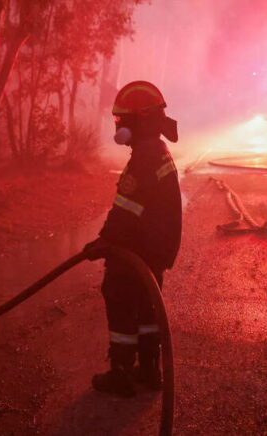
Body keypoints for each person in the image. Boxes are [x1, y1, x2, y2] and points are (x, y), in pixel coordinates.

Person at [83, 81, 182, 397]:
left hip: (136, 249)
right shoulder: (156, 150)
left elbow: (127, 210)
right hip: (154, 248)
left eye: (122, 120)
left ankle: (122, 373)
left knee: (119, 297)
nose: (119, 126)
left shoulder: (143, 159)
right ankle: (150, 370)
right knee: (146, 306)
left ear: (139, 120)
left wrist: (105, 241)